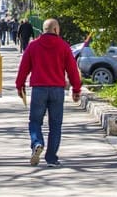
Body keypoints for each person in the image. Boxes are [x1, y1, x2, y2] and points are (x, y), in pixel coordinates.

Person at [14, 18, 82, 167]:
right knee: (55, 125)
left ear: (43, 30)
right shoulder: (63, 46)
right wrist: (76, 89)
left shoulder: (33, 46)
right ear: (56, 30)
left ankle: (37, 143)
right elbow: (72, 70)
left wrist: (20, 86)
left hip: (39, 89)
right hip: (57, 90)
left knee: (35, 121)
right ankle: (51, 158)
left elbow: (23, 67)